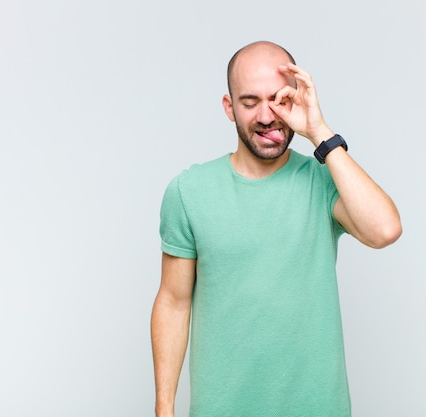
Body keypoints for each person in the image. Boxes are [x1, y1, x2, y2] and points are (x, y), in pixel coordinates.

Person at [151, 40, 402, 417]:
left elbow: (384, 229)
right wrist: (164, 408)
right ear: (229, 108)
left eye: (278, 100)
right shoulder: (189, 191)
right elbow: (173, 301)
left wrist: (320, 133)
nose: (267, 116)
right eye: (250, 102)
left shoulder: (323, 180)